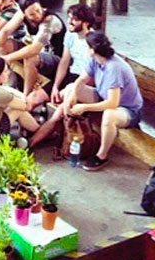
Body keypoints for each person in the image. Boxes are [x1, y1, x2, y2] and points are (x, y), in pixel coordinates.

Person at [29, 31, 144, 171]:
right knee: (71, 88)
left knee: (109, 115)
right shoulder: (95, 59)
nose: (84, 48)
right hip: (102, 95)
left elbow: (112, 104)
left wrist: (84, 107)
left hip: (127, 109)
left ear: (92, 50)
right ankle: (47, 134)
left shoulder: (114, 68)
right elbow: (81, 80)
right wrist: (71, 97)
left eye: (86, 46)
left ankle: (101, 156)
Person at [0, 0, 66, 98]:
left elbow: (35, 49)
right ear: (24, 14)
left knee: (30, 57)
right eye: (32, 14)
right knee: (3, 45)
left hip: (55, 58)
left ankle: (25, 96)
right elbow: (5, 31)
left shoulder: (50, 20)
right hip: (35, 49)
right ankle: (8, 84)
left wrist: (6, 58)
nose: (37, 15)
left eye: (38, 10)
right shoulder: (21, 14)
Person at [25, 3, 96, 109]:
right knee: (32, 99)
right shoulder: (70, 34)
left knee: (59, 103)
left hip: (83, 81)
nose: (69, 22)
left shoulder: (94, 40)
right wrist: (55, 87)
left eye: (74, 19)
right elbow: (64, 61)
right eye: (69, 17)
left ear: (86, 23)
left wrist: (71, 90)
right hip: (70, 75)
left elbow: (94, 73)